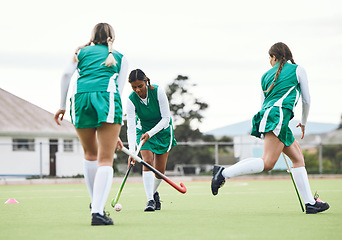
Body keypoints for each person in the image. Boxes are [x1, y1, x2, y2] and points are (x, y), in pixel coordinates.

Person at [211, 42, 329, 214]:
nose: (269, 61)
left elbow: (263, 104)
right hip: (279, 117)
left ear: (274, 57)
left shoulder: (265, 76)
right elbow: (306, 100)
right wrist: (303, 122)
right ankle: (222, 173)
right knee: (268, 163)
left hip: (272, 117)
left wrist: (273, 125)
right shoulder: (298, 69)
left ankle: (310, 203)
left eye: (270, 57)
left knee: (297, 158)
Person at [54, 23, 128, 225]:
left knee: (90, 155)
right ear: (113, 37)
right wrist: (114, 130)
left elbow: (66, 75)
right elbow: (118, 91)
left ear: (92, 35)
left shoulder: (80, 52)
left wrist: (61, 106)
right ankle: (97, 211)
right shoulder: (120, 57)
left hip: (80, 99)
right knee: (105, 159)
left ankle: (96, 204)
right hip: (107, 99)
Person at [126, 69, 177, 212]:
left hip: (163, 130)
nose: (137, 90)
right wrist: (132, 152)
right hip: (142, 130)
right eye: (134, 87)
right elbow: (130, 127)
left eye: (140, 86)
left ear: (146, 82)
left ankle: (153, 193)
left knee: (159, 171)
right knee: (147, 161)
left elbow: (166, 119)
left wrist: (151, 133)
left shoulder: (158, 92)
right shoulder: (131, 100)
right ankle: (149, 200)